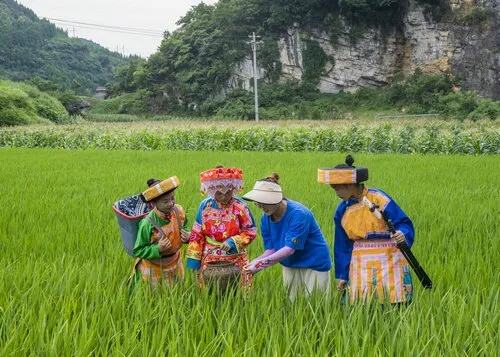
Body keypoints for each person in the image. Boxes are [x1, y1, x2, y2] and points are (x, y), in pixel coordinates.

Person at [318, 155, 415, 304]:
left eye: (337, 188)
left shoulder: (379, 199)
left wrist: (403, 233)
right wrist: (342, 276)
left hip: (390, 259)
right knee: (363, 306)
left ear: (350, 184)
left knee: (395, 302)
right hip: (360, 265)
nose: (335, 193)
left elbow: (403, 222)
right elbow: (342, 246)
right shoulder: (342, 210)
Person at [243, 174, 332, 300]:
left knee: (316, 304)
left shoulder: (298, 214)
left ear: (277, 199)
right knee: (292, 304)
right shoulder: (265, 219)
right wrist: (255, 262)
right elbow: (271, 249)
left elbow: (290, 249)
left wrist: (260, 265)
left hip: (313, 263)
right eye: (259, 203)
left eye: (265, 202)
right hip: (290, 263)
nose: (262, 207)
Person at [186, 166, 256, 288]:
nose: (224, 197)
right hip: (210, 258)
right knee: (209, 292)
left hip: (235, 258)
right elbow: (197, 234)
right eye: (219, 193)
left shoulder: (240, 206)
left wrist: (233, 242)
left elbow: (250, 231)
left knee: (237, 291)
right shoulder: (204, 206)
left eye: (228, 192)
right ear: (212, 190)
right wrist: (194, 260)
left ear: (233, 189)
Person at [131, 176, 189, 287]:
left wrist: (188, 236)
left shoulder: (179, 211)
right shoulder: (147, 223)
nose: (171, 203)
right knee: (156, 296)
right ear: (154, 204)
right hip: (154, 266)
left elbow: (184, 225)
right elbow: (138, 250)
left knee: (177, 291)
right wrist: (157, 248)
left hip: (175, 262)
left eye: (173, 198)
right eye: (165, 201)